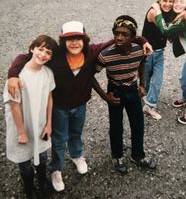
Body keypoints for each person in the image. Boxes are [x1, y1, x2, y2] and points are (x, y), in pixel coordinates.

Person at [7, 21, 152, 191]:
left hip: (80, 105)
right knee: (59, 140)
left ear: (85, 40)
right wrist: (12, 74)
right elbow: (25, 56)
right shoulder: (56, 55)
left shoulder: (91, 52)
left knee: (76, 133)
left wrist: (143, 41)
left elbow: (117, 39)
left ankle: (77, 156)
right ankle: (56, 169)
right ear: (63, 41)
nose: (74, 42)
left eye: (78, 38)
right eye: (69, 39)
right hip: (59, 107)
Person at [92, 15, 156, 174]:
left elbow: (141, 63)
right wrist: (104, 96)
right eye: (116, 33)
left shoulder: (139, 49)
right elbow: (91, 75)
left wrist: (142, 84)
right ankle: (117, 156)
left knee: (138, 124)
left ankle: (138, 155)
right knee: (116, 126)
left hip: (133, 90)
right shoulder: (105, 54)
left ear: (133, 37)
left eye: (125, 34)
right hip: (115, 91)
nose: (119, 37)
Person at [3, 35, 58, 198]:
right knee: (24, 162)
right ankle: (28, 186)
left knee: (41, 157)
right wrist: (21, 132)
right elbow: (14, 105)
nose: (43, 55)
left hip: (40, 125)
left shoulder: (48, 73)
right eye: (40, 49)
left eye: (48, 52)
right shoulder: (17, 77)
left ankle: (42, 181)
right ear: (31, 49)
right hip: (22, 126)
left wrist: (48, 123)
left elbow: (49, 98)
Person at [142, 0, 186, 120]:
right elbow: (165, 30)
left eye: (171, 1)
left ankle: (149, 105)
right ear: (159, 0)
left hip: (159, 52)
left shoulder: (169, 11)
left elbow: (185, 6)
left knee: (157, 80)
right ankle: (144, 96)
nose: (168, 4)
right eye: (164, 0)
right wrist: (159, 10)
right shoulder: (154, 12)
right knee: (146, 79)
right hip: (146, 52)